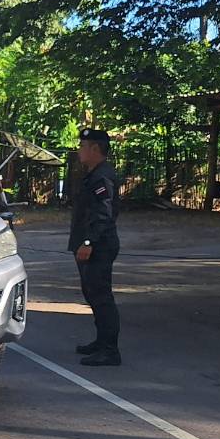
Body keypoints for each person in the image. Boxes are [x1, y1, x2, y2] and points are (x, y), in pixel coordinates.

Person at [68, 127, 122, 367]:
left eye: (83, 146)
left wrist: (89, 242)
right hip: (90, 243)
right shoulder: (93, 174)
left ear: (95, 149)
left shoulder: (102, 177)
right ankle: (101, 342)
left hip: (98, 246)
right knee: (92, 294)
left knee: (101, 297)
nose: (79, 150)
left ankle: (110, 350)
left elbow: (104, 214)